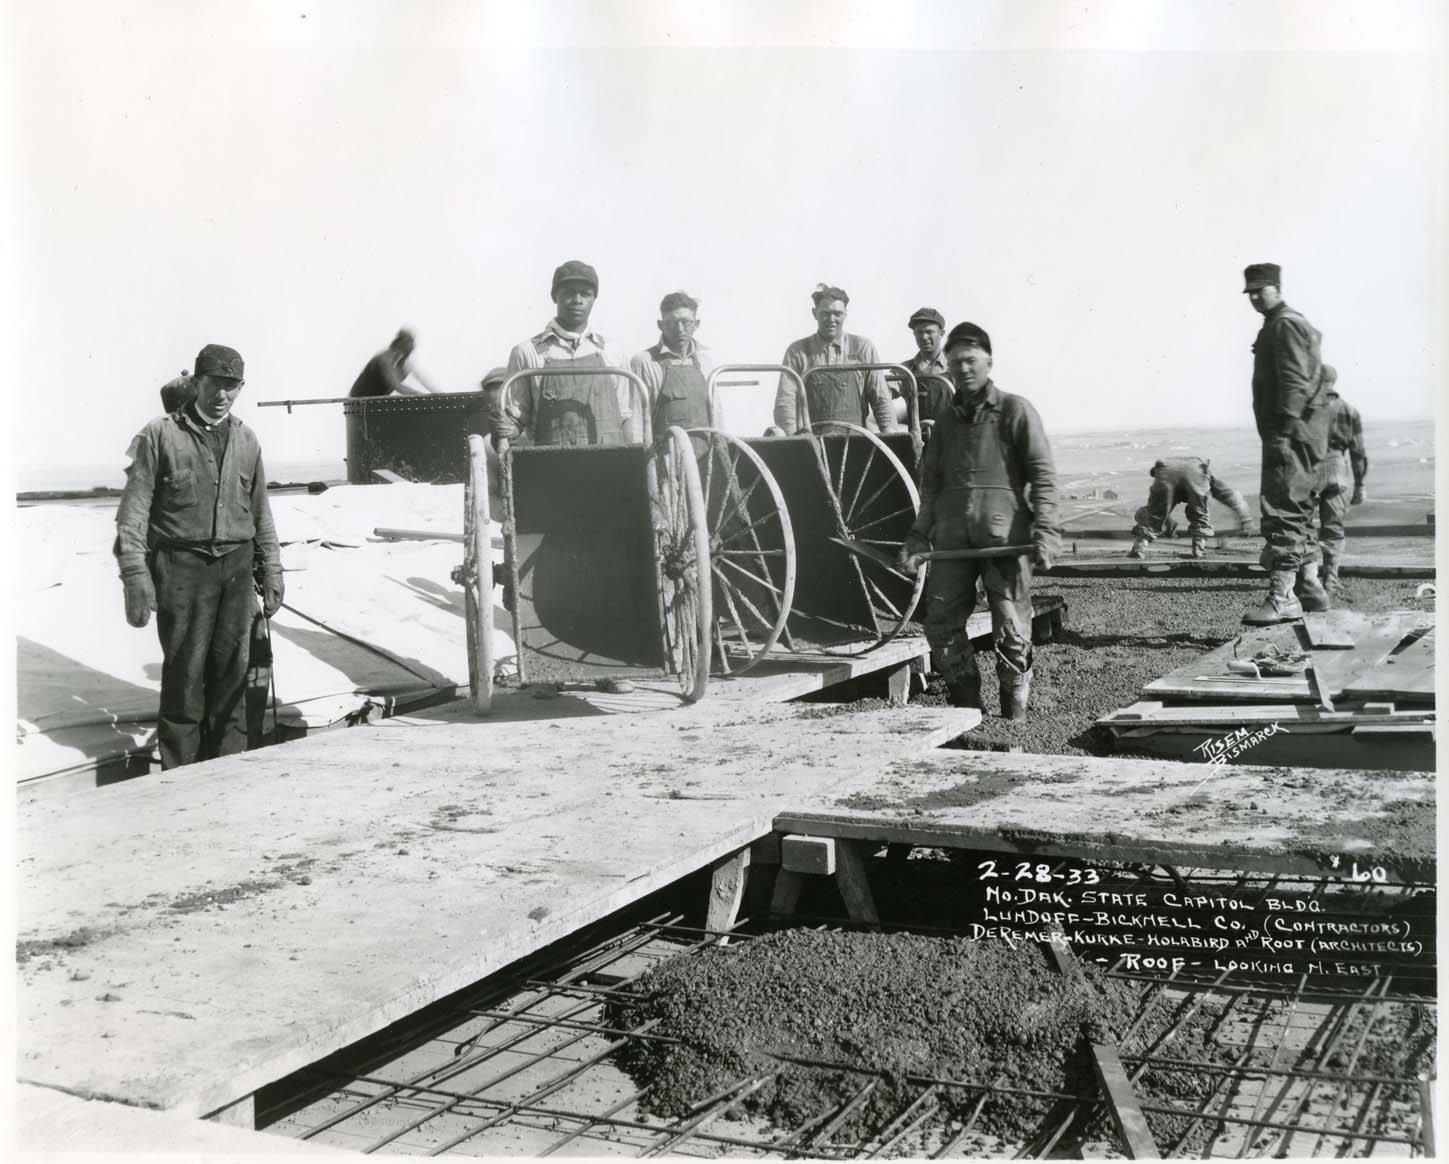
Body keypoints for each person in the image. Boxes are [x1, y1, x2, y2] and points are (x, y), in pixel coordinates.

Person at [114, 344, 283, 770]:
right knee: (185, 678)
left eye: (231, 387)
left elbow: (261, 510)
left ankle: (227, 776)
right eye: (213, 385)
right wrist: (136, 574)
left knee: (232, 674)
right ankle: (180, 781)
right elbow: (133, 511)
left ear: (240, 387)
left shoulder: (247, 439)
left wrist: (273, 568)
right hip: (181, 570)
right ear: (195, 383)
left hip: (237, 568)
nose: (222, 396)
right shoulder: (159, 435)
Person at [898, 322, 1057, 719]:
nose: (963, 369)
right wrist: (919, 535)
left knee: (1012, 628)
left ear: (989, 361)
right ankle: (966, 710)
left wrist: (1047, 532)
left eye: (970, 361)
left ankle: (1014, 717)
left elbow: (1043, 474)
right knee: (941, 625)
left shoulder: (1015, 410)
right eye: (955, 363)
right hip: (951, 541)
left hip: (1005, 539)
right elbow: (931, 486)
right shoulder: (945, 421)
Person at [1242, 262, 1332, 624]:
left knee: (1283, 508)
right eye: (1249, 292)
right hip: (1299, 433)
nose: (1253, 298)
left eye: (1260, 290)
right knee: (1300, 508)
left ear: (1276, 288)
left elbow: (1296, 379)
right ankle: (1310, 588)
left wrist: (1285, 429)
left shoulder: (1284, 324)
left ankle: (1282, 598)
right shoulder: (1283, 323)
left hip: (1290, 432)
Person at [491, 260, 638, 446]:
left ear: (594, 299)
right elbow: (516, 416)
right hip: (552, 465)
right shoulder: (526, 352)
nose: (577, 300)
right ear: (554, 296)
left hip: (608, 464)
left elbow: (626, 415)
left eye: (585, 294)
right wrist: (506, 429)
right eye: (569, 292)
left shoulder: (613, 351)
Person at [769, 284, 895, 435]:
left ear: (845, 314)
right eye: (825, 313)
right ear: (814, 313)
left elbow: (881, 398)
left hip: (857, 443)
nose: (831, 319)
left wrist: (890, 436)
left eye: (837, 313)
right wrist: (792, 441)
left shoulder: (863, 348)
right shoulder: (797, 351)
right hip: (812, 443)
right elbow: (786, 402)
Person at [628, 291, 719, 434]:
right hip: (664, 454)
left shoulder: (705, 361)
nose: (680, 329)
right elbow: (636, 423)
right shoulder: (644, 362)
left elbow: (717, 416)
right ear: (660, 325)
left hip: (705, 454)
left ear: (696, 324)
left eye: (686, 322)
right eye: (672, 323)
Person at [1311, 364, 1368, 593]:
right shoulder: (1349, 410)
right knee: (1333, 527)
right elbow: (1358, 453)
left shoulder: (1305, 408)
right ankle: (1331, 579)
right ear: (1334, 382)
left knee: (1303, 527)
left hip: (1309, 469)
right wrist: (1360, 485)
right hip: (1337, 469)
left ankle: (1307, 580)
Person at [1128, 458, 1254, 559]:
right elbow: (1229, 495)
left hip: (1166, 472)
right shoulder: (1203, 473)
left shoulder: (1162, 473)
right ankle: (1199, 550)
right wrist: (1245, 518)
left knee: (1154, 515)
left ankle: (1139, 549)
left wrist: (1164, 521)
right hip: (1195, 472)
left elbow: (1158, 509)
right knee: (1200, 514)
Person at [348, 329, 440, 398]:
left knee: (406, 369)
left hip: (378, 397)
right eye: (409, 346)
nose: (411, 350)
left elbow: (423, 379)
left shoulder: (405, 362)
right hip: (360, 396)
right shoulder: (384, 358)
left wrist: (438, 394)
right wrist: (420, 395)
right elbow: (396, 385)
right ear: (400, 344)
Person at [900, 306, 953, 422]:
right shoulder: (904, 369)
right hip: (915, 436)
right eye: (919, 332)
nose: (924, 337)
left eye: (929, 332)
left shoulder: (955, 366)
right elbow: (884, 396)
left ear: (941, 333)